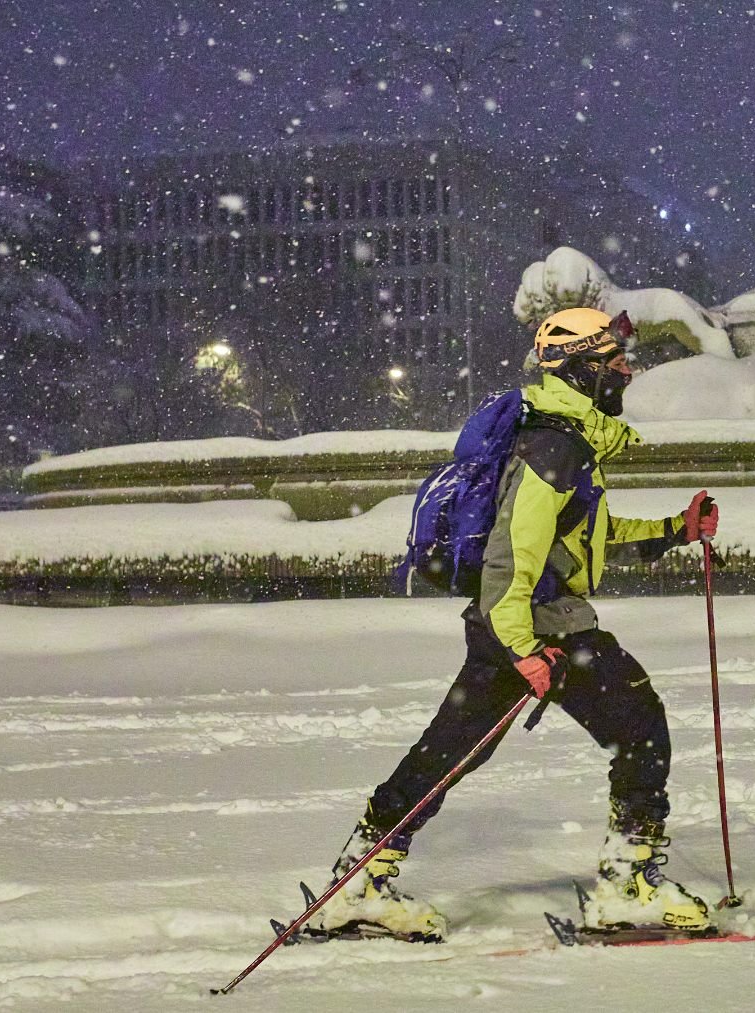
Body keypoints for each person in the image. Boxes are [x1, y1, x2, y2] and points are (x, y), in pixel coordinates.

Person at [305, 306, 719, 942]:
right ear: (582, 371)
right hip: (543, 631)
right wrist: (523, 649)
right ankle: (628, 886)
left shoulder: (564, 439)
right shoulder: (554, 446)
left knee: (446, 755)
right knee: (641, 729)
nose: (626, 372)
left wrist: (675, 531)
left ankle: (358, 882)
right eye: (613, 362)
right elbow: (509, 558)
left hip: (520, 629)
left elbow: (587, 540)